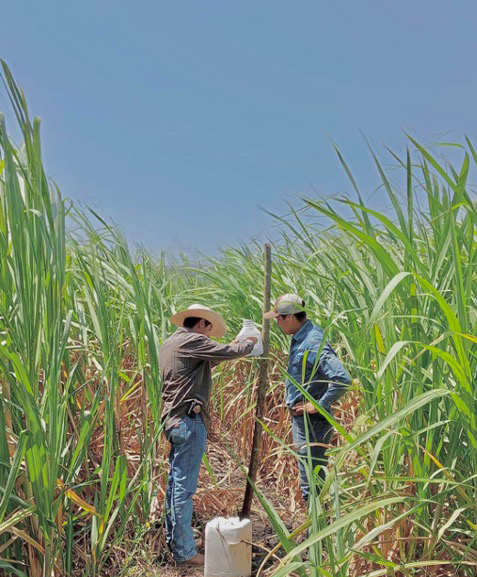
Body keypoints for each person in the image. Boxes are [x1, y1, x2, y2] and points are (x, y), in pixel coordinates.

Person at [159, 304, 257, 567]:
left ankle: (180, 542)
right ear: (201, 324)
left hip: (177, 422)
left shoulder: (173, 343)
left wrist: (238, 345)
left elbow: (213, 359)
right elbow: (230, 351)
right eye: (209, 330)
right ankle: (185, 553)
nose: (209, 337)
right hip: (188, 422)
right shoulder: (192, 340)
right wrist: (249, 342)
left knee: (175, 487)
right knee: (183, 490)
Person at [264, 294, 351, 501]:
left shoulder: (312, 342)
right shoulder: (302, 338)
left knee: (312, 484)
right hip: (305, 422)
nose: (276, 323)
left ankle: (317, 530)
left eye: (278, 318)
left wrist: (318, 406)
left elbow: (341, 378)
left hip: (312, 424)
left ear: (290, 317)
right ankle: (318, 528)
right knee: (312, 480)